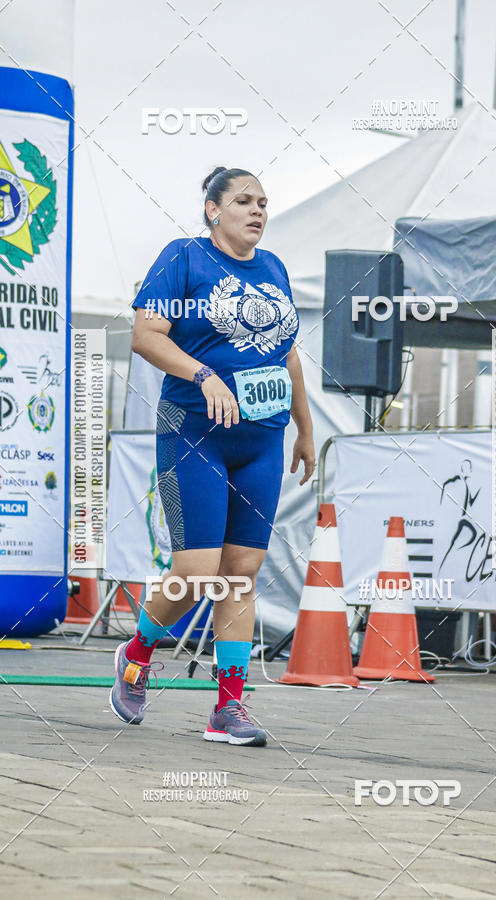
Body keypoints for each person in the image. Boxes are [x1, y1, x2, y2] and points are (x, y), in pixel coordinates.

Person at [109, 167, 315, 746]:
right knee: (197, 573)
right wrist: (203, 375)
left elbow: (289, 357)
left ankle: (228, 708)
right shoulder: (184, 259)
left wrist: (305, 429)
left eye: (264, 203)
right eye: (243, 201)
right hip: (193, 432)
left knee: (241, 575)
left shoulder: (273, 270)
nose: (257, 211)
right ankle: (136, 654)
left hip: (261, 439)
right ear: (212, 209)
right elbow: (146, 335)